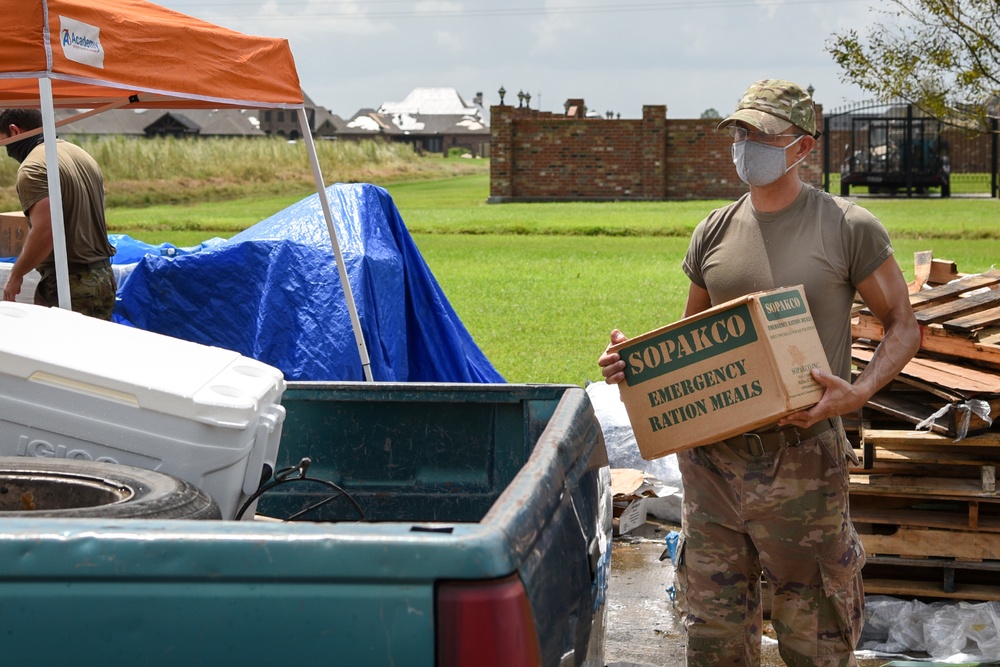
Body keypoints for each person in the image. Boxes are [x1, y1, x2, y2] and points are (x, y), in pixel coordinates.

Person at [598, 79, 920, 666]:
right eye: (741, 131)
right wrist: (634, 366)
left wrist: (860, 392)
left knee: (815, 636)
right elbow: (689, 344)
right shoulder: (714, 231)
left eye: (763, 133)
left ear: (801, 146)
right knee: (715, 637)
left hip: (802, 462)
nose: (748, 144)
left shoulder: (847, 226)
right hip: (712, 467)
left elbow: (903, 323)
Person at [0, 108, 116, 319]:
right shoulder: (79, 154)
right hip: (103, 276)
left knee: (56, 349)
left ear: (14, 131)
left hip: (70, 283)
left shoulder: (33, 168)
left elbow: (46, 230)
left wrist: (15, 275)